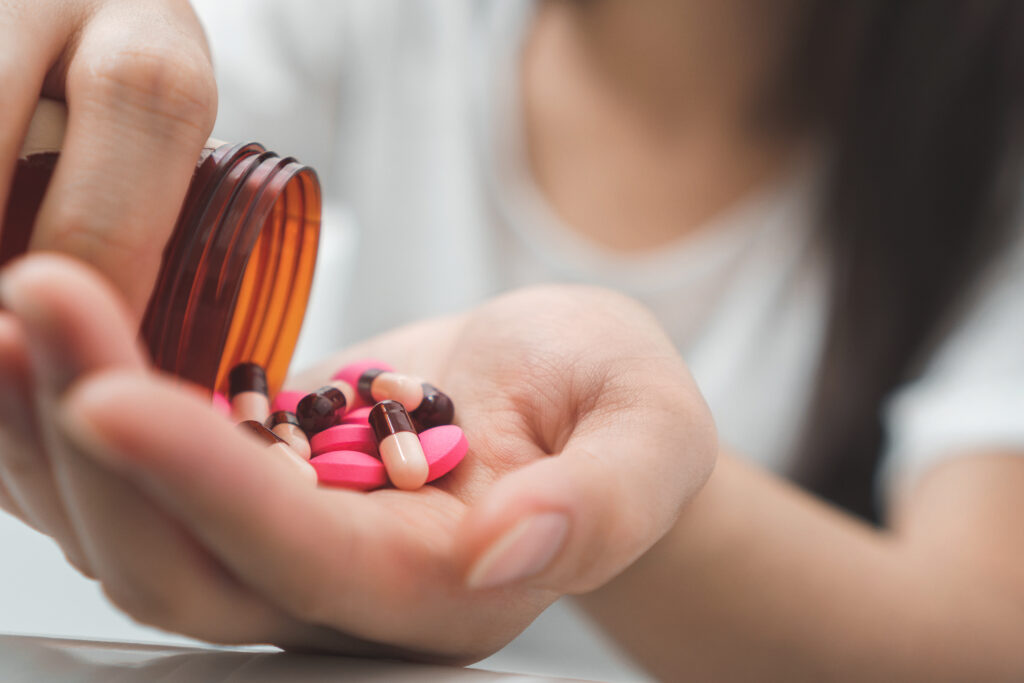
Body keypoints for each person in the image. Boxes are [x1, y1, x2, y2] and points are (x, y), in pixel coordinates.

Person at [0, 1, 1022, 680]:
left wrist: (630, 499)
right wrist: (83, 47)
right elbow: (124, 95)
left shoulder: (987, 146)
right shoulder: (396, 20)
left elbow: (986, 637)